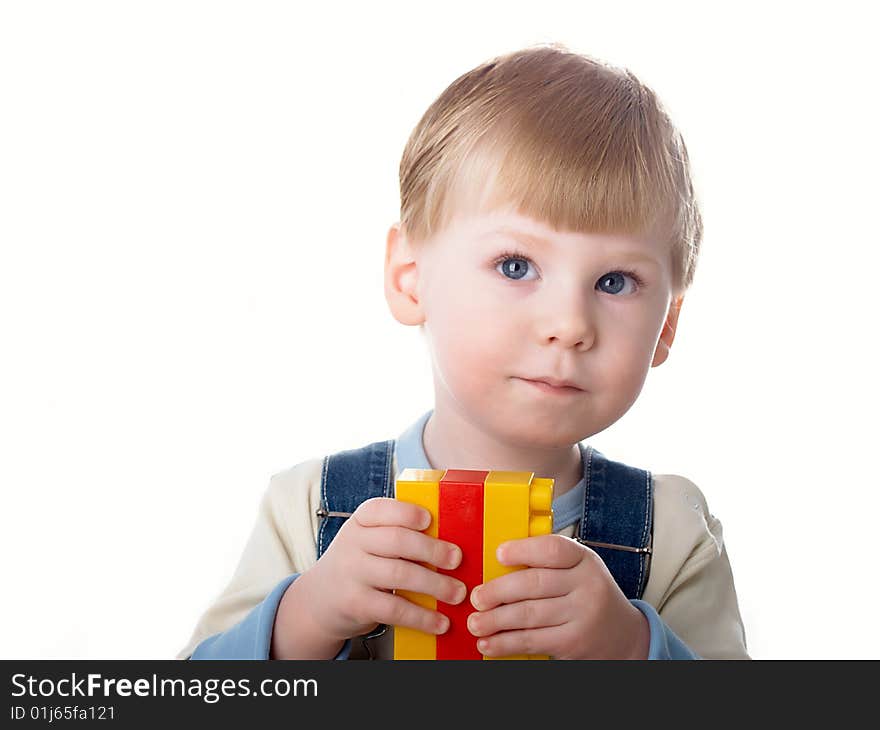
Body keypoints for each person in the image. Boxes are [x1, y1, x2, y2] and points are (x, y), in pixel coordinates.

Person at [177, 42, 749, 660]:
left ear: (667, 326)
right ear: (410, 277)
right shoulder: (309, 508)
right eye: (516, 264)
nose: (568, 324)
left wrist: (632, 646)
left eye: (614, 282)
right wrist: (305, 617)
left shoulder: (671, 533)